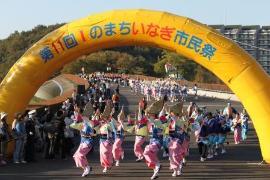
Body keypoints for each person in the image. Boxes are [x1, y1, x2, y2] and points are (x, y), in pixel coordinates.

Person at [143, 115, 163, 180]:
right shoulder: (151, 123)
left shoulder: (157, 121)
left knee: (146, 152)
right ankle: (156, 172)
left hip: (157, 142)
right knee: (153, 158)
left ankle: (157, 166)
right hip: (154, 142)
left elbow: (152, 122)